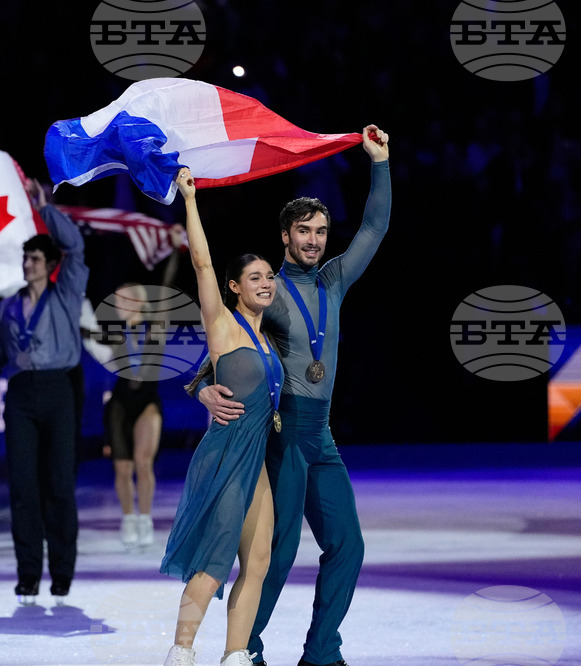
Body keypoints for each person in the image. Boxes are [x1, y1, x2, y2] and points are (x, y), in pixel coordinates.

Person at [196, 125, 391, 666]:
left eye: (321, 232)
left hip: (320, 435)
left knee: (347, 545)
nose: (314, 240)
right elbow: (226, 342)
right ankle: (246, 650)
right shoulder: (269, 289)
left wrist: (379, 163)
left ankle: (322, 652)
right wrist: (204, 387)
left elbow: (374, 226)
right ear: (285, 236)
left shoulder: (334, 281)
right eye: (304, 231)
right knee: (276, 552)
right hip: (282, 435)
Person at [0, 179, 89, 604]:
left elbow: (75, 246)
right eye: (25, 258)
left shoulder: (67, 293)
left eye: (35, 258)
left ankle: (61, 573)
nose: (27, 264)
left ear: (49, 265)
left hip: (60, 389)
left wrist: (44, 210)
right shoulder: (7, 308)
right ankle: (28, 574)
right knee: (23, 487)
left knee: (59, 485)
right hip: (22, 394)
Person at [160, 168, 280, 666]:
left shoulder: (269, 338)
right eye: (255, 277)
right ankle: (181, 651)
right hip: (226, 453)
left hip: (257, 458)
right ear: (234, 286)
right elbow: (202, 264)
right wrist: (190, 200)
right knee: (214, 558)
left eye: (269, 276)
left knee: (258, 562)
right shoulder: (223, 325)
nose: (266, 283)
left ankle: (235, 655)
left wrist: (202, 387)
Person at [102, 224, 184, 549]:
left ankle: (145, 518)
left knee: (143, 462)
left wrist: (175, 249)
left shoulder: (156, 325)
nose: (119, 302)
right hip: (120, 401)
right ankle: (128, 519)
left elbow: (167, 286)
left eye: (125, 297)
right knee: (122, 468)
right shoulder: (113, 331)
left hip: (148, 401)